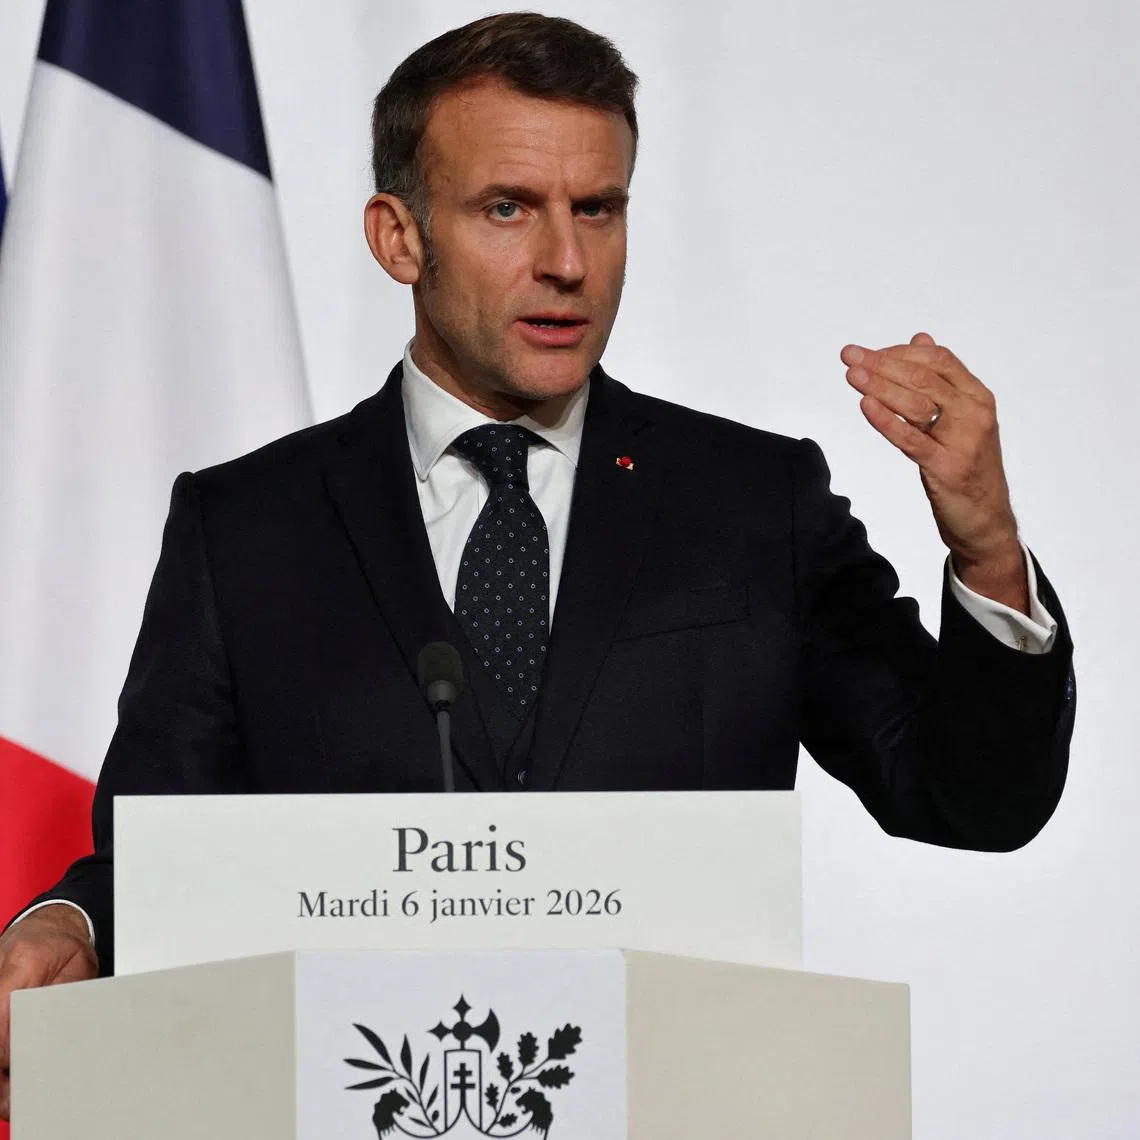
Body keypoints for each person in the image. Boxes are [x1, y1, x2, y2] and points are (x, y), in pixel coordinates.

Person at [0, 13, 1073, 1119]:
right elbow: (158, 862)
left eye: (597, 209)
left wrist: (985, 544)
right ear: (398, 237)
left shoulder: (753, 505)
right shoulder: (245, 528)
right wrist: (66, 926)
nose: (566, 262)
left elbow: (970, 796)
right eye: (507, 208)